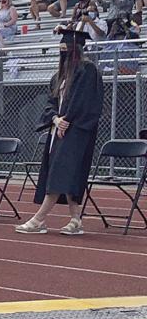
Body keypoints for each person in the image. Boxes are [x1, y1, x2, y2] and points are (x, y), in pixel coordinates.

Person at [16, 30, 103, 236]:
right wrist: (56, 119)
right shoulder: (59, 76)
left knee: (60, 172)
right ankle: (75, 220)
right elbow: (50, 104)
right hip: (58, 130)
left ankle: (39, 219)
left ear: (76, 49)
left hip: (78, 131)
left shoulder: (88, 70)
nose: (64, 53)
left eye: (68, 49)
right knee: (65, 172)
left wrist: (69, 120)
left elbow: (86, 101)